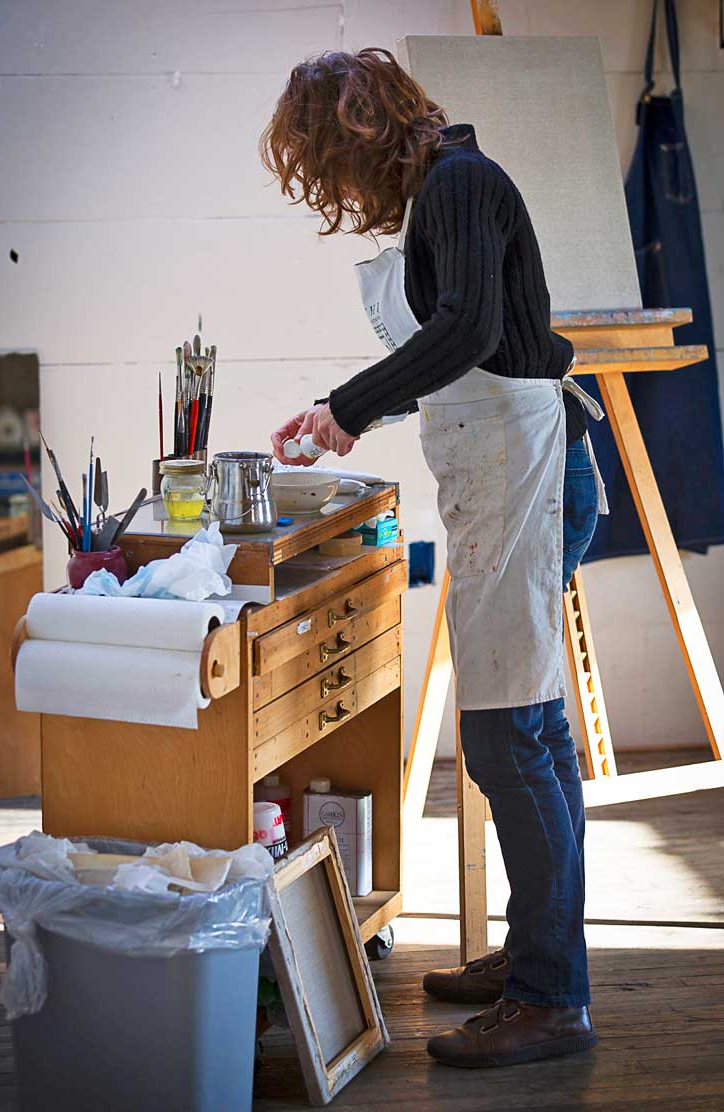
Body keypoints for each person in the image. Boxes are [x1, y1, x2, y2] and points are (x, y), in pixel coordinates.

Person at [262, 47, 607, 1069]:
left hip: (528, 477)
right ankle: (544, 958)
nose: (337, 191)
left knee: (510, 741)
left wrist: (349, 404)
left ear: (358, 135)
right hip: (518, 473)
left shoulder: (460, 183)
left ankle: (552, 996)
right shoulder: (451, 190)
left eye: (329, 165)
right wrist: (346, 418)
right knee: (530, 734)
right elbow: (473, 351)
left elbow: (467, 327)